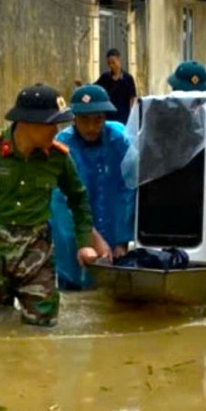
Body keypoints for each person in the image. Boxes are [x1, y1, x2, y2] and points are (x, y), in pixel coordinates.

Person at [0, 84, 98, 327]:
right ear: (29, 123)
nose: (56, 131)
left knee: (43, 325)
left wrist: (84, 244)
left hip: (37, 250)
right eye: (51, 124)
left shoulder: (58, 157)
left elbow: (78, 198)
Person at [49, 85, 136, 289]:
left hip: (115, 228)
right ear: (74, 119)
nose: (91, 127)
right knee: (75, 287)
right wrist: (90, 238)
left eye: (98, 120)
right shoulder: (61, 147)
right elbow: (62, 201)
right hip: (72, 236)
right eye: (84, 120)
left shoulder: (120, 140)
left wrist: (122, 240)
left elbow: (129, 189)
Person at [95, 48, 137, 125]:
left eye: (113, 62)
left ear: (118, 60)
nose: (111, 65)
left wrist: (132, 115)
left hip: (124, 117)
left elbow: (132, 98)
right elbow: (95, 89)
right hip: (108, 116)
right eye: (109, 63)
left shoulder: (128, 78)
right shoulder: (105, 77)